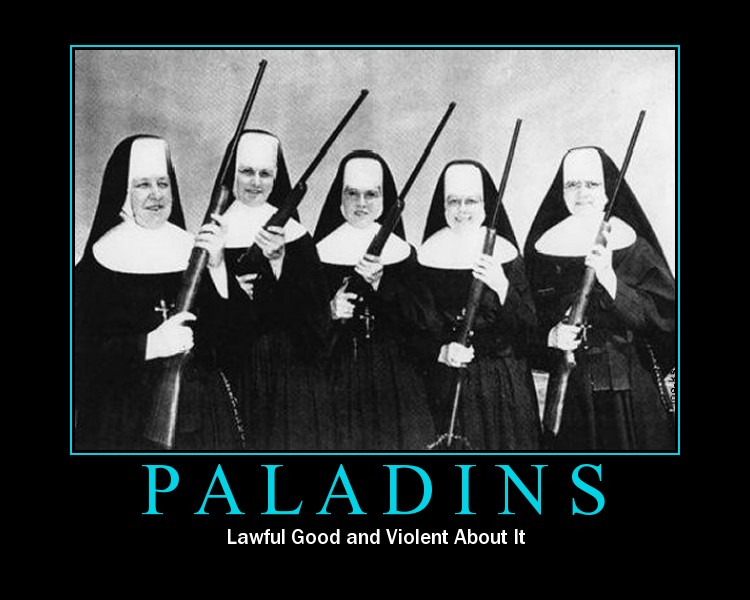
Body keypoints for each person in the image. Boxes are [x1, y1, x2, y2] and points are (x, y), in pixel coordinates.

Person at [74, 134, 245, 451]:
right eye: (143, 185)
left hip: (197, 415)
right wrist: (149, 345)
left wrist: (218, 266)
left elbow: (229, 341)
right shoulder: (98, 261)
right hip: (120, 419)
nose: (156, 195)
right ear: (124, 192)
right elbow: (82, 354)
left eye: (163, 184)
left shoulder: (193, 249)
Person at [524, 146, 675, 451]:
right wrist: (551, 336)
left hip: (630, 384)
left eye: (592, 184)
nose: (582, 193)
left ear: (607, 192)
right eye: (572, 184)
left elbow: (666, 318)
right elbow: (525, 321)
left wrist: (610, 279)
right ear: (561, 192)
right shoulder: (542, 251)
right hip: (573, 390)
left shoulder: (634, 246)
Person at [313, 150, 436, 450]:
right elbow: (300, 326)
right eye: (352, 194)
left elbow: (425, 320)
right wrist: (329, 311)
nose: (361, 203)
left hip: (394, 376)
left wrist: (382, 284)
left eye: (371, 194)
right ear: (339, 199)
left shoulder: (403, 252)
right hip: (337, 374)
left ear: (384, 200)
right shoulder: (318, 253)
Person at [415, 160, 541, 451]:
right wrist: (441, 350)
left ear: (486, 206)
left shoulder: (507, 256)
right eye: (453, 201)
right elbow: (415, 327)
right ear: (443, 207)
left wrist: (501, 285)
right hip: (448, 381)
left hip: (502, 382)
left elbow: (529, 328)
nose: (462, 210)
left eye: (471, 201)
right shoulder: (426, 256)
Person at [220, 129, 333, 451]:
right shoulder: (215, 231)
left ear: (275, 178)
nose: (256, 182)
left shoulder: (297, 236)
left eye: (265, 174)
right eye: (247, 171)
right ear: (233, 174)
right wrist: (229, 288)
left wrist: (280, 262)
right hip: (235, 370)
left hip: (290, 374)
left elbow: (317, 316)